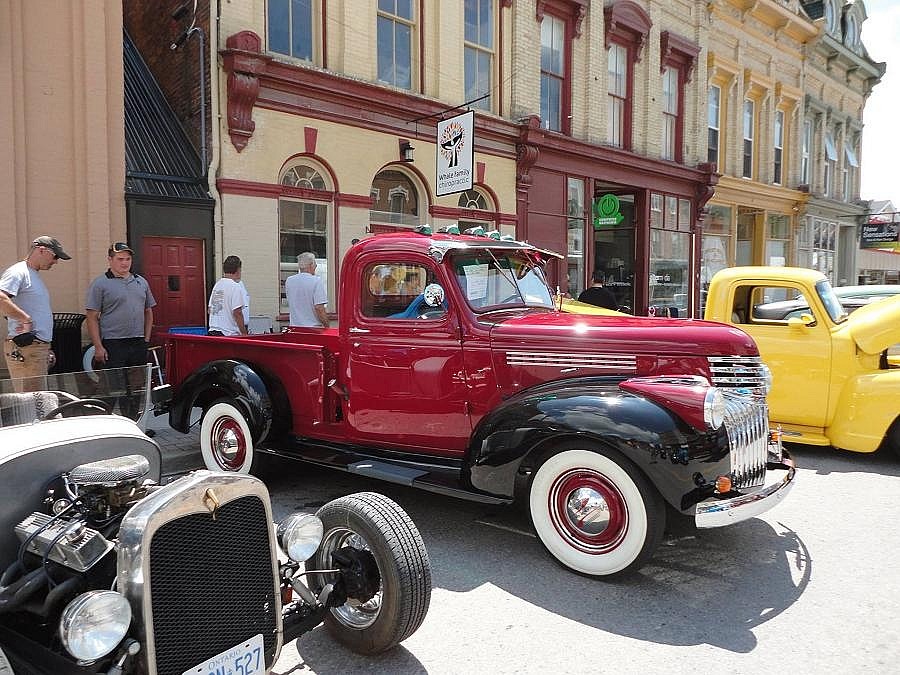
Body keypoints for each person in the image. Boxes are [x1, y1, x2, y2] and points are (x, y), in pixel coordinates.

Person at [85, 242, 156, 419]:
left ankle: (134, 424)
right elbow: (91, 317)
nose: (124, 263)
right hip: (113, 344)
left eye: (128, 259)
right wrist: (98, 346)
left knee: (135, 389)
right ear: (110, 260)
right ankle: (104, 426)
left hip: (137, 342)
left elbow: (148, 312)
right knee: (111, 389)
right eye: (120, 259)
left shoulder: (141, 282)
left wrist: (146, 339)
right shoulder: (100, 284)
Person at [0, 236, 71, 382]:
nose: (56, 261)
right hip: (26, 347)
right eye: (55, 256)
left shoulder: (32, 275)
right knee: (31, 400)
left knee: (37, 400)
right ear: (42, 250)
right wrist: (25, 320)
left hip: (34, 347)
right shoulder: (19, 271)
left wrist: (45, 347)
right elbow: (1, 297)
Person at [208, 255, 248, 336]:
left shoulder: (218, 285)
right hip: (228, 334)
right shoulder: (236, 287)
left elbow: (210, 309)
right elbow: (237, 312)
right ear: (238, 270)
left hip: (213, 331)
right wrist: (244, 333)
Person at [285, 252, 328, 327]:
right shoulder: (316, 281)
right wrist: (326, 325)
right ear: (311, 264)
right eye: (315, 263)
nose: (316, 265)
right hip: (313, 329)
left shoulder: (289, 280)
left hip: (294, 328)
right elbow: (319, 308)